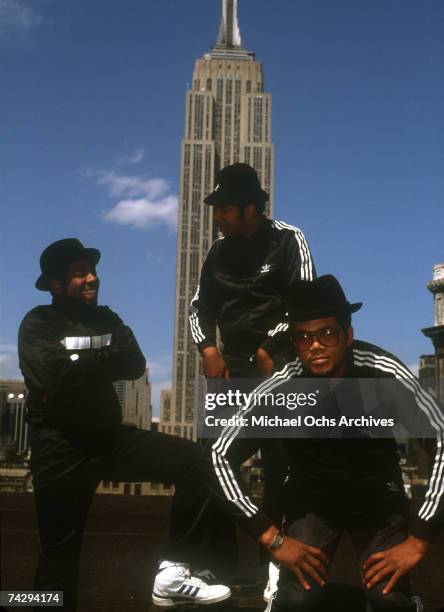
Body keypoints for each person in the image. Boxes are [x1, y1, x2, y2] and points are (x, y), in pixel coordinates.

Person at [18, 238, 232, 611]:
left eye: (93, 271)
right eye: (80, 273)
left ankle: (174, 571)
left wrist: (77, 362)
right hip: (59, 448)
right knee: (58, 563)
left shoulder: (108, 319)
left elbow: (133, 363)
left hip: (109, 438)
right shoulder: (37, 323)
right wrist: (102, 358)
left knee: (198, 461)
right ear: (56, 284)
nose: (92, 278)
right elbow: (50, 378)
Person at [209, 275, 444, 612]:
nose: (315, 346)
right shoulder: (283, 385)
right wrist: (271, 538)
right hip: (313, 502)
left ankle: (407, 600)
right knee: (296, 602)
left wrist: (419, 540)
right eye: (303, 338)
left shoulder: (383, 373)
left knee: (388, 601)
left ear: (348, 335)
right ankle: (282, 588)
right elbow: (218, 455)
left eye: (327, 334)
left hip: (377, 499)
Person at [155, 162, 316, 593]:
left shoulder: (288, 239)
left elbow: (305, 302)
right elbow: (197, 308)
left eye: (225, 208)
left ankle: (277, 573)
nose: (217, 216)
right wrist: (208, 348)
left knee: (284, 471)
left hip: (283, 370)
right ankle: (210, 569)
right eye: (216, 208)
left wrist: (272, 346)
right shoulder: (217, 252)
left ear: (250, 208)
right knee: (211, 464)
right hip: (232, 371)